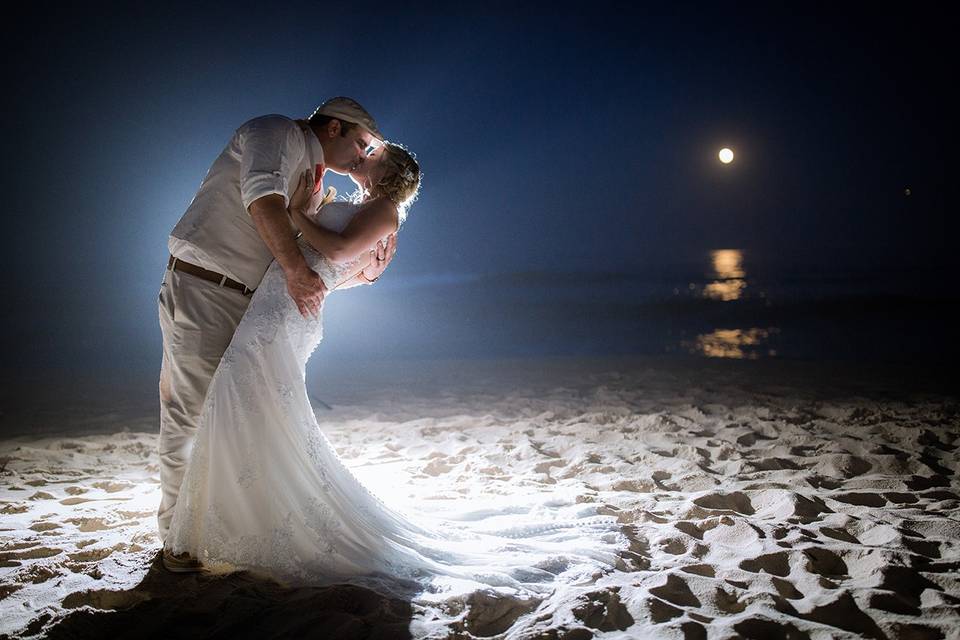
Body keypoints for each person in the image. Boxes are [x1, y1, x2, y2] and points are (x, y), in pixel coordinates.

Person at [163, 142, 628, 602]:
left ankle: (248, 513)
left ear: (391, 173)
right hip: (273, 304)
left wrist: (294, 214)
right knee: (246, 404)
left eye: (371, 158)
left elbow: (339, 250)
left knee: (249, 401)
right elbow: (335, 263)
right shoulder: (366, 206)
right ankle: (239, 510)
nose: (361, 159)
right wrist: (310, 210)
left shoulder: (386, 212)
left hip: (281, 311)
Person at [157, 97, 398, 566]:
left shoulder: (317, 180)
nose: (362, 157)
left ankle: (208, 526)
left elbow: (306, 265)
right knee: (189, 413)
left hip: (249, 302)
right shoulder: (276, 132)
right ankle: (175, 540)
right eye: (362, 144)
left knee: (231, 417)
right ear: (333, 127)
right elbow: (261, 200)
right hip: (206, 284)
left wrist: (361, 271)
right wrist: (295, 268)